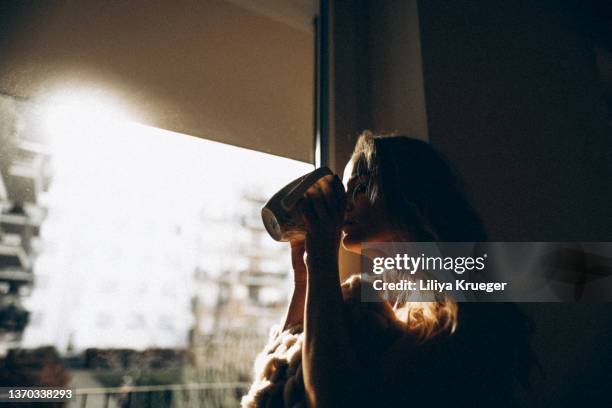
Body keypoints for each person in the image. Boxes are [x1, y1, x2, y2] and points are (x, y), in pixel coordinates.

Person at [242, 132, 534, 408]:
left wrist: (321, 263)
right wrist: (305, 281)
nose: (344, 203)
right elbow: (288, 370)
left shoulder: (462, 314)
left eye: (358, 187)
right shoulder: (385, 300)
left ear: (408, 193)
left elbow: (336, 400)